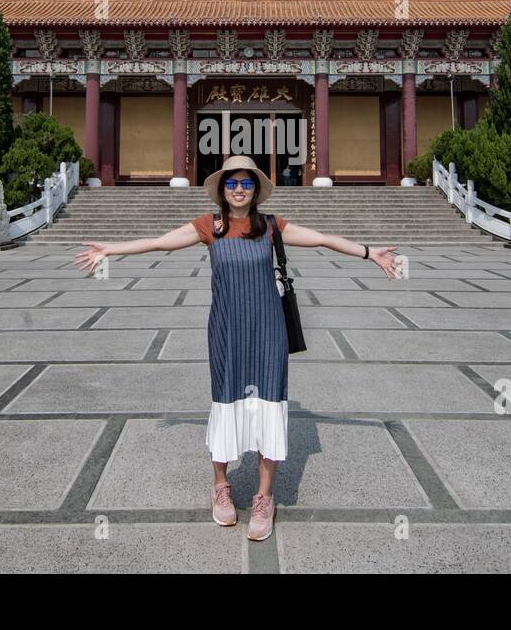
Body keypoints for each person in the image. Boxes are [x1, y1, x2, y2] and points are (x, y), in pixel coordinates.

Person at [74, 154, 399, 541]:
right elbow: (160, 244)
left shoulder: (271, 227)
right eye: (232, 183)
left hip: (268, 332)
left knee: (269, 408)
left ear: (256, 190)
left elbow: (324, 239)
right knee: (226, 403)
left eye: (246, 183)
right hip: (227, 331)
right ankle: (220, 485)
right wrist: (111, 249)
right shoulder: (208, 227)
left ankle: (264, 497)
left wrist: (368, 252)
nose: (239, 190)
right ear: (222, 190)